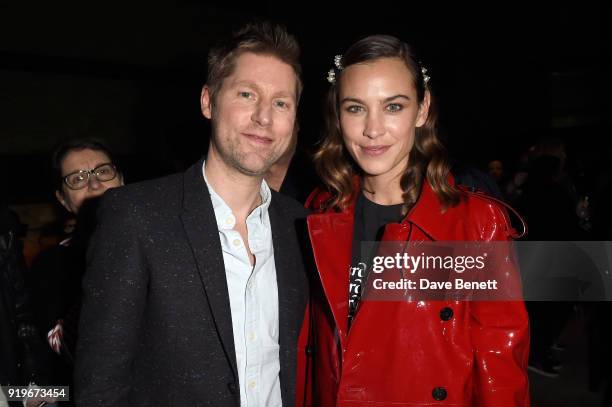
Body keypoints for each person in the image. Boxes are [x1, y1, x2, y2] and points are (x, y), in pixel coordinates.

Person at [74, 22, 309, 407]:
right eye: (247, 94)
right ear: (208, 101)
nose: (264, 117)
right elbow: (100, 387)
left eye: (281, 103)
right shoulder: (135, 216)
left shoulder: (300, 226)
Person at [301, 35, 530, 406]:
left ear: (422, 111)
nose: (373, 129)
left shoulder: (476, 222)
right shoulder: (319, 210)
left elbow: (500, 361)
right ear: (337, 115)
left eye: (393, 107)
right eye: (355, 108)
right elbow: (310, 350)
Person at [27, 138, 124, 402]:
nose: (94, 184)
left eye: (103, 171)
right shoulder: (51, 265)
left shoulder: (165, 243)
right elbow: (58, 346)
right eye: (77, 178)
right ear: (63, 199)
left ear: (121, 181)